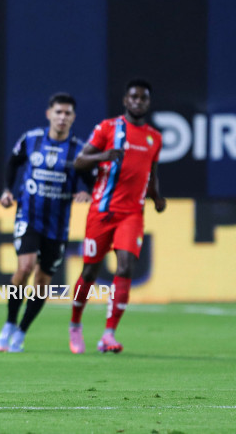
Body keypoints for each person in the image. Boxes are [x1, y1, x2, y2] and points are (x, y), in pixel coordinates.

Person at [69, 79, 166, 354]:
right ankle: (75, 324)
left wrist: (156, 197)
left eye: (143, 98)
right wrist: (104, 155)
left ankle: (108, 335)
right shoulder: (107, 128)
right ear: (125, 100)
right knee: (90, 271)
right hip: (101, 211)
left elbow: (152, 173)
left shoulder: (154, 138)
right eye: (133, 97)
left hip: (132, 214)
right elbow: (78, 162)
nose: (138, 101)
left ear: (148, 102)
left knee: (125, 267)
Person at [0, 93, 93, 353]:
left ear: (73, 118)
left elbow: (91, 181)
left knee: (42, 279)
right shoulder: (31, 139)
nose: (62, 117)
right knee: (24, 267)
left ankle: (21, 331)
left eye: (67, 113)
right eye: (58, 112)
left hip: (57, 225)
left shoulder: (79, 150)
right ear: (49, 113)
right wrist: (7, 190)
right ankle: (8, 322)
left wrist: (88, 193)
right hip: (29, 215)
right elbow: (13, 163)